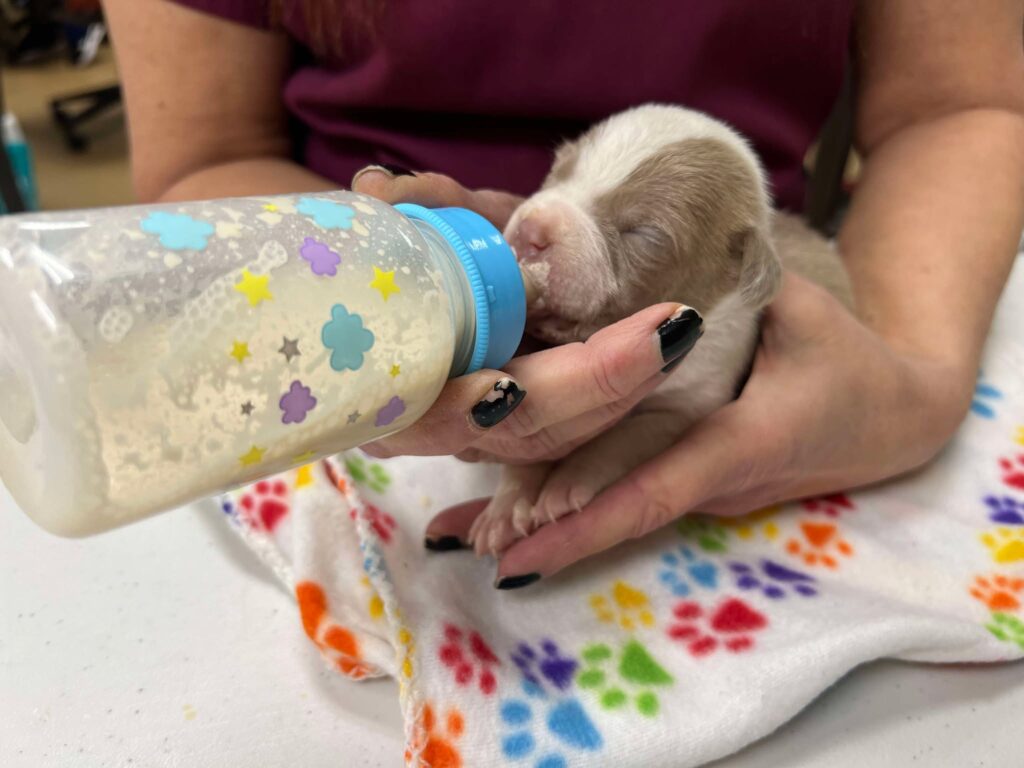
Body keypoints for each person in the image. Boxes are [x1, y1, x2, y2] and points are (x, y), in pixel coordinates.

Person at [105, 1, 1024, 588]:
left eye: (638, 231)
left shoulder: (738, 279)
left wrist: (913, 376)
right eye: (561, 174)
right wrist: (357, 278)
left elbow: (961, 105)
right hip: (329, 292)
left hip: (773, 472)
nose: (543, 219)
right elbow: (206, 151)